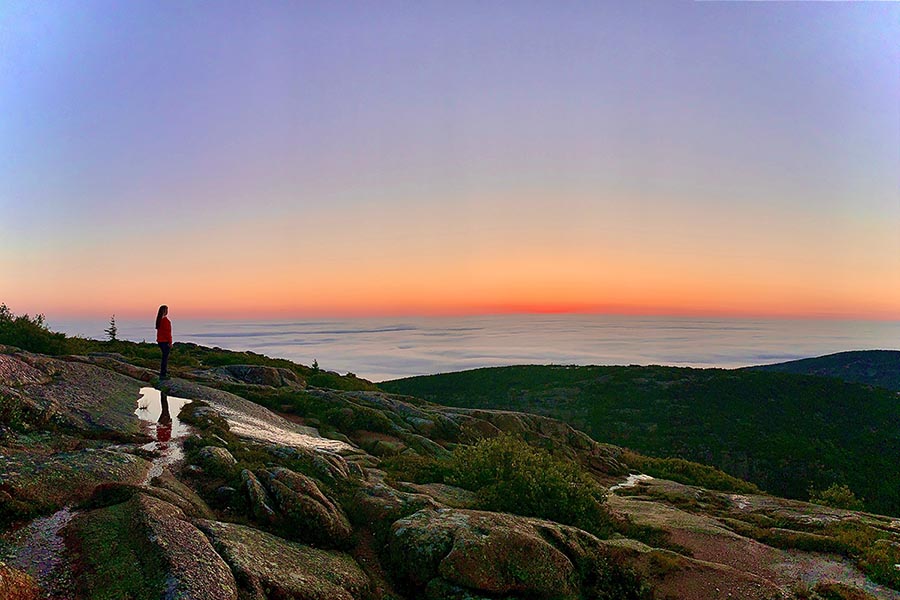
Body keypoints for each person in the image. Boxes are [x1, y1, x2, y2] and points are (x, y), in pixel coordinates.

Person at [155, 305, 173, 380]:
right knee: (165, 358)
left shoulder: (159, 320)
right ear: (165, 311)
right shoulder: (165, 321)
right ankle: (163, 374)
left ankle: (163, 373)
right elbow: (167, 333)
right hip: (165, 342)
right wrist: (170, 342)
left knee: (164, 358)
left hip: (160, 341)